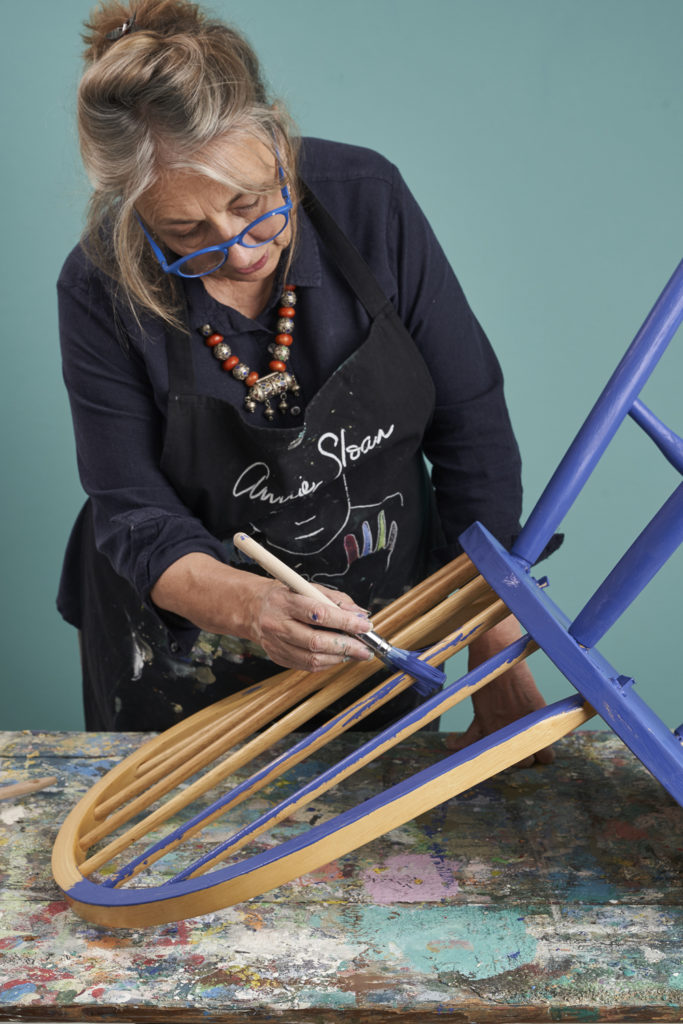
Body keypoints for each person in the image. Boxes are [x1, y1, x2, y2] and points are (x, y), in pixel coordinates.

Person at [57, 0, 554, 762]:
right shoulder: (99, 284)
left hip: (386, 607)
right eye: (186, 234)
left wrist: (492, 630)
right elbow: (132, 511)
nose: (239, 253)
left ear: (277, 139)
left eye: (253, 206)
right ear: (133, 211)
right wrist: (248, 604)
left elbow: (472, 429)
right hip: (183, 639)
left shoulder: (367, 200)